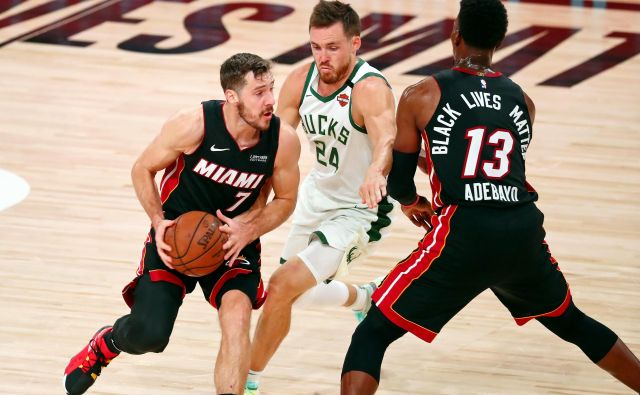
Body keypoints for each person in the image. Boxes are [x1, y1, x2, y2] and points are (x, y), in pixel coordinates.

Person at [340, 0, 640, 393]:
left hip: (465, 234)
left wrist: (413, 202)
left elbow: (398, 182)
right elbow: (495, 166)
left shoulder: (422, 93)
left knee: (373, 332)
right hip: (521, 232)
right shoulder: (522, 100)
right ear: (499, 41)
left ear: (455, 35)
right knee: (572, 322)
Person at [63, 53, 301, 395]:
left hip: (235, 242)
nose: (270, 101)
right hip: (176, 238)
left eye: (271, 90)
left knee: (237, 321)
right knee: (151, 336)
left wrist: (250, 228)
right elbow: (142, 168)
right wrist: (158, 221)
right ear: (232, 97)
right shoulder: (194, 124)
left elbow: (286, 200)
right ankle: (107, 343)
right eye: (259, 93)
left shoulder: (282, 141)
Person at [244, 1, 397, 393]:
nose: (322, 56)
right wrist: (250, 196)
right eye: (315, 47)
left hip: (358, 209)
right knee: (290, 295)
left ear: (355, 43)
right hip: (316, 198)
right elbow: (275, 147)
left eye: (332, 47)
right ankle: (365, 298)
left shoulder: (370, 88)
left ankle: (247, 379)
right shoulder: (299, 81)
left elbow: (388, 139)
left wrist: (376, 170)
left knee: (280, 286)